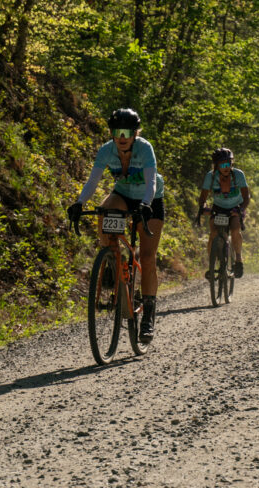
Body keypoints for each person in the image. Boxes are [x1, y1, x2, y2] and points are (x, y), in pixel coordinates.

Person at [67, 108, 163, 343]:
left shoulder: (145, 148)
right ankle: (111, 258)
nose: (122, 137)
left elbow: (151, 180)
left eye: (127, 132)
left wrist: (146, 204)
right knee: (104, 210)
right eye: (117, 131)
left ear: (135, 134)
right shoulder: (106, 150)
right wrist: (79, 203)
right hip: (123, 194)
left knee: (147, 257)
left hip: (150, 199)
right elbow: (93, 181)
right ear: (111, 133)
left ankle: (148, 315)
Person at [195, 147, 250, 277]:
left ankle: (238, 259)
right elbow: (203, 198)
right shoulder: (211, 176)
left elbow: (246, 197)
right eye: (223, 165)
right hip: (218, 207)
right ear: (216, 166)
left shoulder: (238, 175)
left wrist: (241, 209)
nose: (226, 167)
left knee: (235, 230)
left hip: (236, 207)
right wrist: (203, 208)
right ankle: (212, 264)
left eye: (229, 164)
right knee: (213, 233)